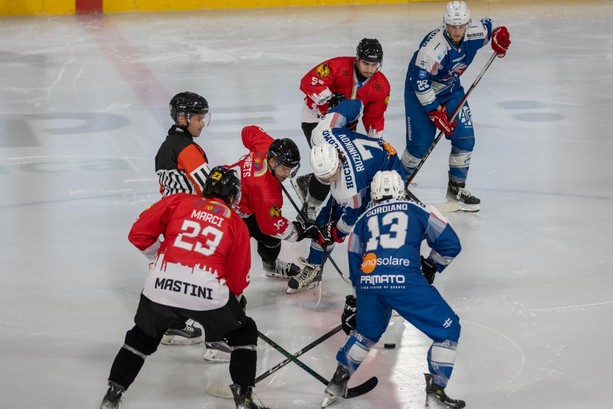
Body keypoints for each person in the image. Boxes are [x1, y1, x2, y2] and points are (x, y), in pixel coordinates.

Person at [99, 166, 269, 409]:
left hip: (161, 284)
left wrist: (160, 258)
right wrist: (235, 302)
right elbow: (237, 276)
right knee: (243, 333)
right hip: (207, 293)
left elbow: (138, 234)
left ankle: (113, 393)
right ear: (233, 195)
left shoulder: (178, 200)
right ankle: (244, 398)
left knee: (142, 337)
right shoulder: (235, 222)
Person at [321, 169, 464, 409]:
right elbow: (451, 244)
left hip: (369, 282)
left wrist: (360, 297)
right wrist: (431, 266)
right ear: (402, 190)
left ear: (374, 194)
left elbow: (354, 258)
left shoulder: (363, 219)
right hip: (405, 281)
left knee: (364, 335)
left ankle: (336, 384)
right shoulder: (420, 210)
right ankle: (436, 390)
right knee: (448, 329)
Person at [401, 1, 511, 212]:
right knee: (420, 145)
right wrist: (434, 110)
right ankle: (398, 185)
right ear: (445, 24)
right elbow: (418, 81)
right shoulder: (434, 48)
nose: (457, 30)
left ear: (467, 24)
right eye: (453, 26)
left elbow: (491, 27)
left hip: (450, 89)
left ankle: (456, 189)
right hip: (420, 93)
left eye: (461, 25)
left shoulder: (474, 32)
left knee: (465, 138)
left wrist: (499, 35)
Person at [287, 100, 406, 294]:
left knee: (377, 224)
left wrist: (334, 233)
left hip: (387, 168)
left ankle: (387, 273)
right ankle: (314, 267)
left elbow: (349, 219)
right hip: (366, 163)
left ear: (337, 163)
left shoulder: (349, 190)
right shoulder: (321, 133)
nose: (327, 180)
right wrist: (353, 115)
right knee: (323, 220)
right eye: (322, 177)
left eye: (329, 176)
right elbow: (353, 105)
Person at [293, 38, 391, 223]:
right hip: (317, 119)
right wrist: (328, 99)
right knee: (332, 165)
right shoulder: (338, 66)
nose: (369, 69)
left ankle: (309, 182)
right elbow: (308, 82)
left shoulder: (381, 86)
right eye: (366, 63)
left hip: (344, 128)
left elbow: (374, 118)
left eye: (374, 64)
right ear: (357, 59)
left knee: (345, 166)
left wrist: (377, 145)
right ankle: (310, 208)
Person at [231, 125, 320, 278]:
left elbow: (249, 131)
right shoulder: (267, 192)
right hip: (230, 215)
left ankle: (270, 264)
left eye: (291, 169)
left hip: (239, 197)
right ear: (272, 162)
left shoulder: (267, 147)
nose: (288, 173)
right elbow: (272, 226)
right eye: (285, 169)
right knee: (262, 239)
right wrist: (299, 231)